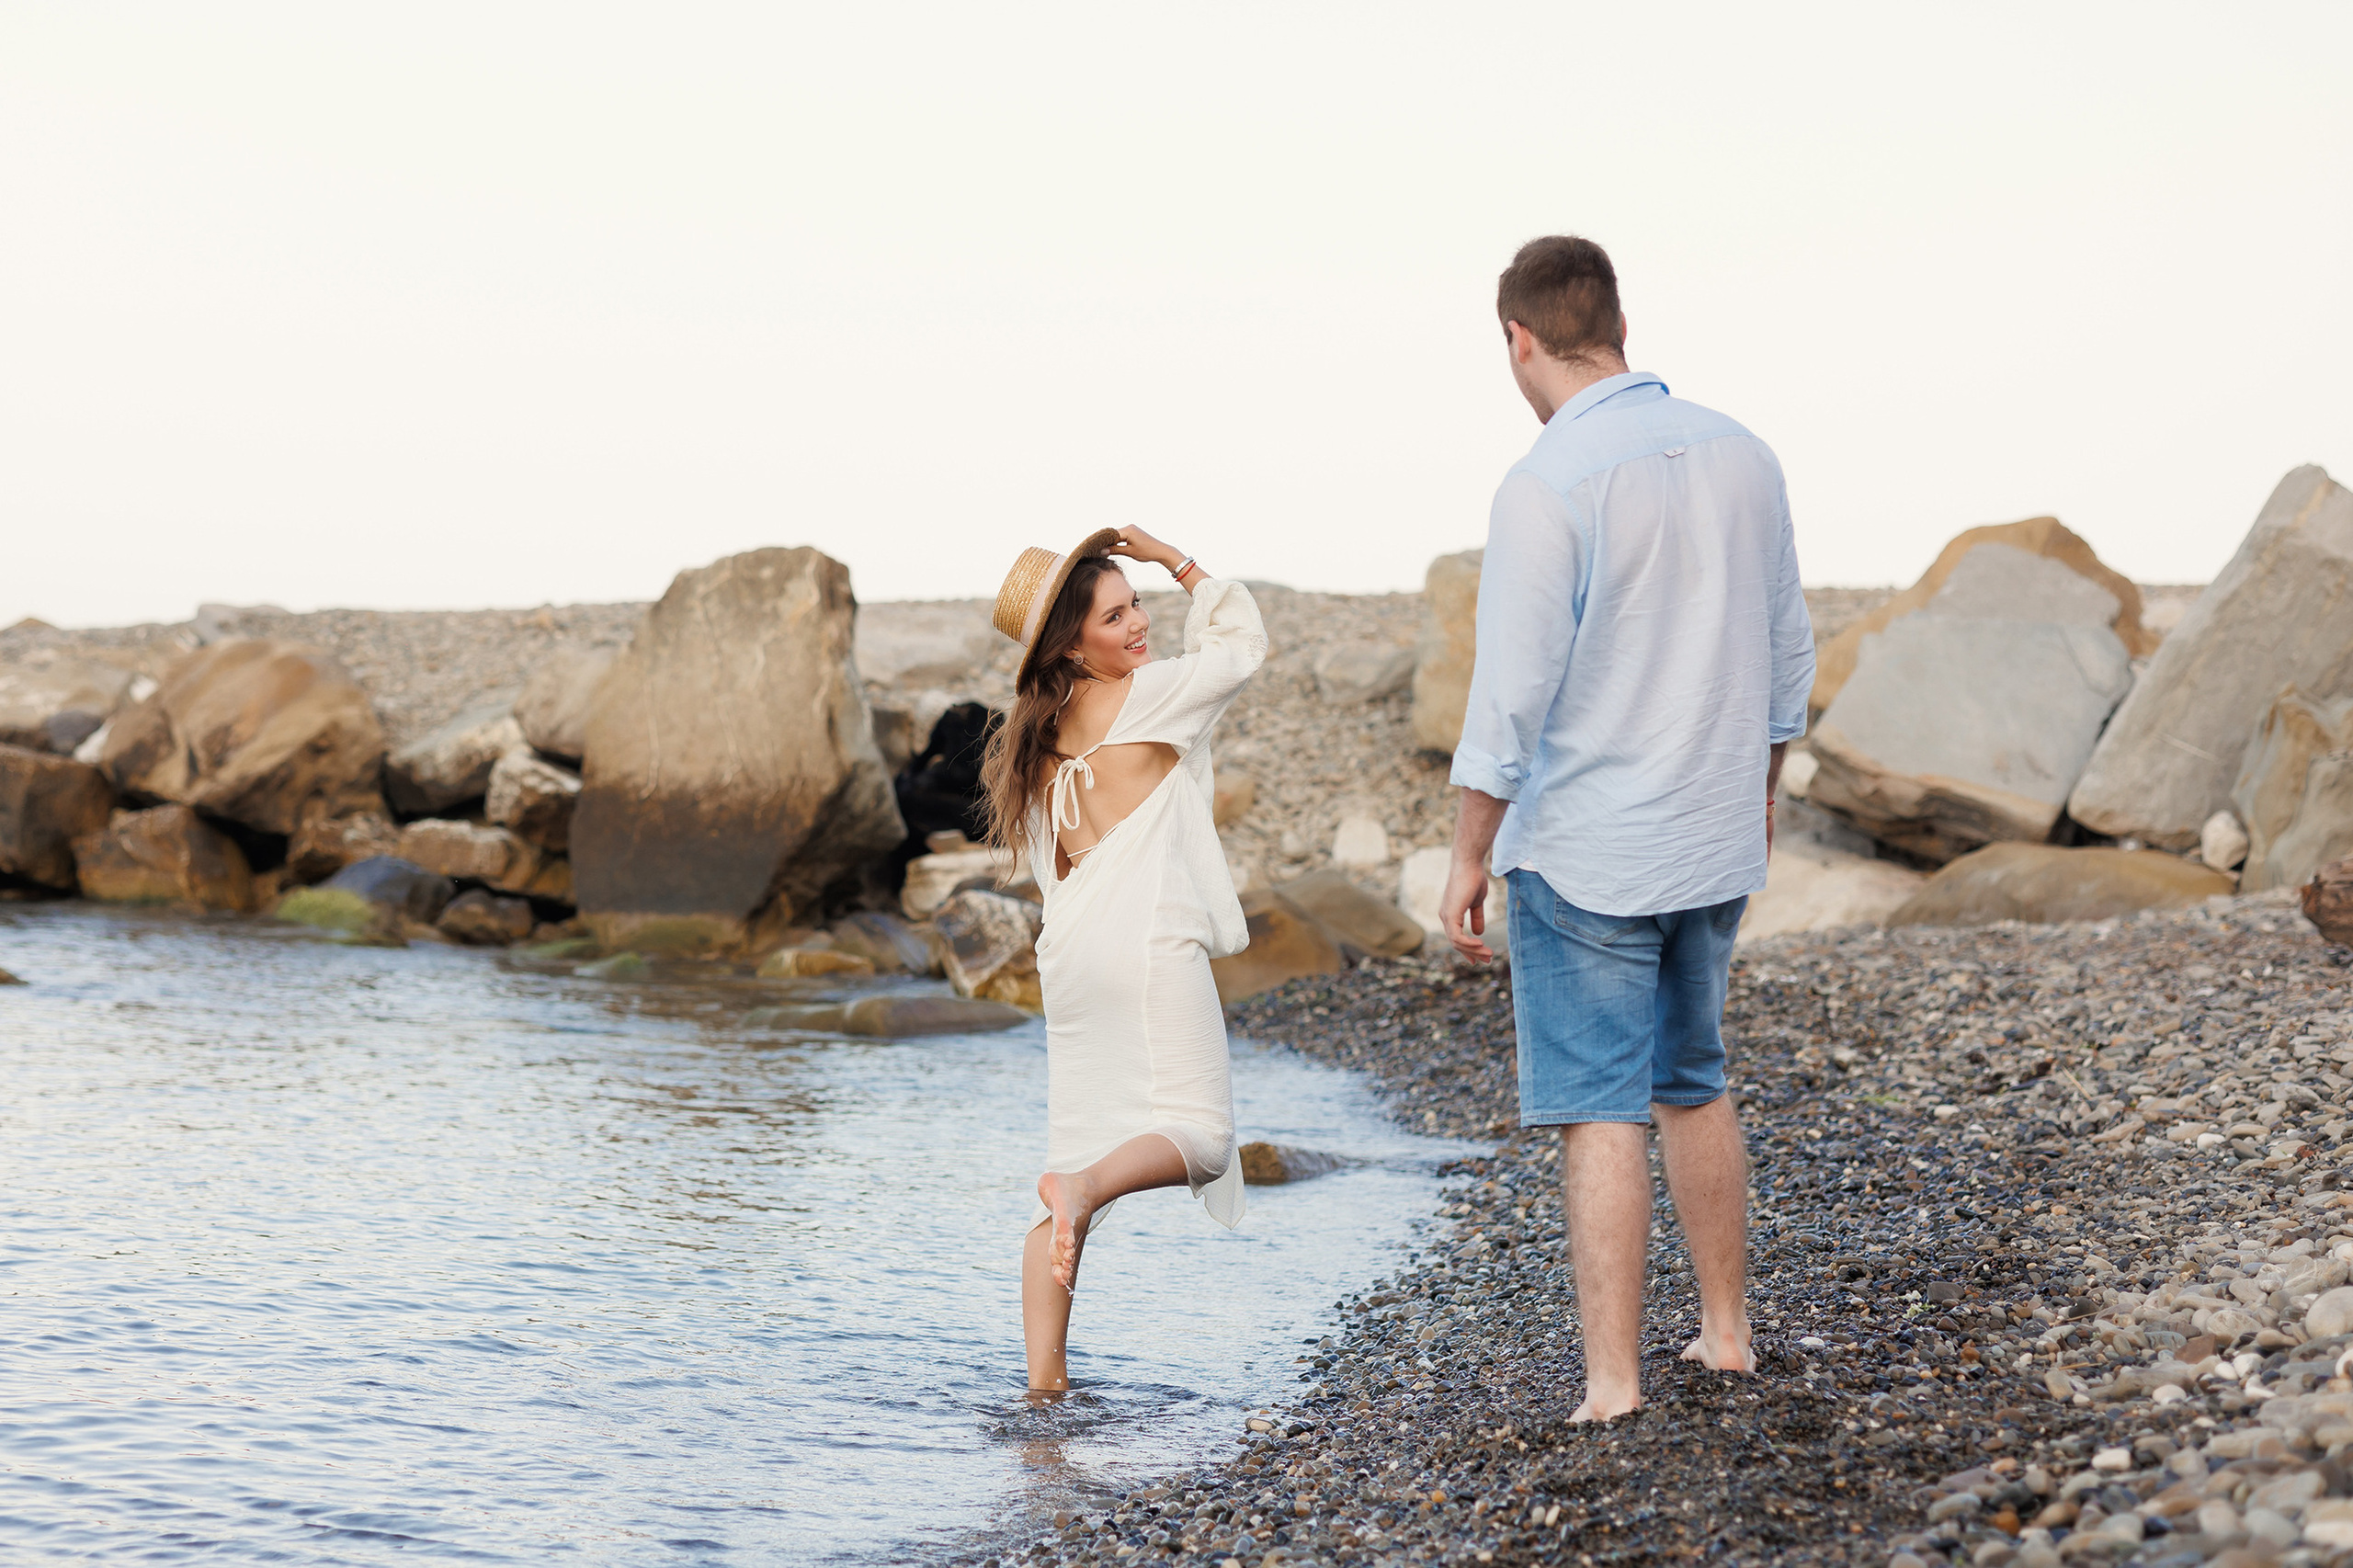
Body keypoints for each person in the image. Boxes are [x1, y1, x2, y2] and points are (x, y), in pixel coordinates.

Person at [1437, 235, 1814, 1422]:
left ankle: (1613, 1384)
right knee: (1693, 1076)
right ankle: (1727, 1331)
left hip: (1592, 848)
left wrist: (1465, 853)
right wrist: (1758, 786)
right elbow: (1788, 654)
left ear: (1519, 340)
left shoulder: (1546, 483)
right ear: (1619, 326)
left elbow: (1510, 695)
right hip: (1710, 834)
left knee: (1601, 1102)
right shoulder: (1746, 456)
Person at [978, 524, 1267, 1393]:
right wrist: (1174, 558)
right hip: (1144, 941)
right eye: (1116, 614)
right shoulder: (1146, 697)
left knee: (1073, 1154)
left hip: (1069, 955)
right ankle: (1086, 1189)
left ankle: (1044, 1385)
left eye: (1136, 600)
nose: (1140, 623)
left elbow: (1050, 869)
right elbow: (1241, 644)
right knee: (1204, 1139)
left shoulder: (1035, 738)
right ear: (1073, 643)